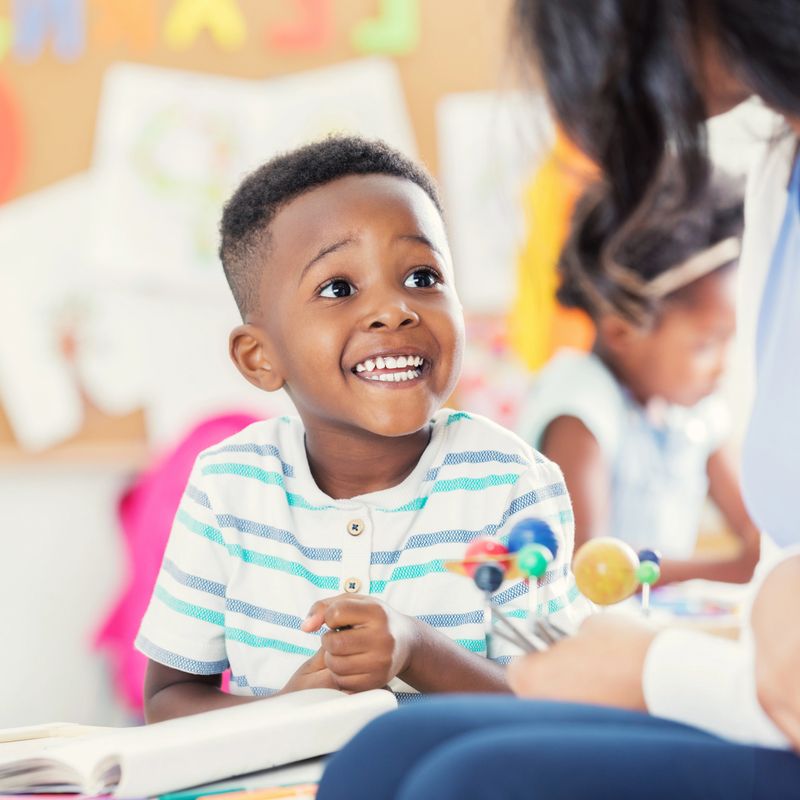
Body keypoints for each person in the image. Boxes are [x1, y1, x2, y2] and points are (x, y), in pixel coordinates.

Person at [317, 1, 800, 796]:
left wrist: (652, 666)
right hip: (759, 666)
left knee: (462, 782)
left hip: (765, 679)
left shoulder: (690, 413)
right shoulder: (591, 403)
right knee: (386, 754)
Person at [135, 135, 589, 722]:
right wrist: (285, 712)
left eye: (423, 277)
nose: (395, 310)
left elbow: (560, 705)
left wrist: (418, 651)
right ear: (259, 357)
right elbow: (167, 699)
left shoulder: (512, 483)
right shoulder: (228, 486)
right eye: (338, 289)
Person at [516, 170, 761, 584]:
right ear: (621, 331)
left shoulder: (692, 411)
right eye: (706, 345)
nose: (724, 365)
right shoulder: (580, 407)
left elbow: (757, 527)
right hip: (587, 641)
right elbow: (584, 569)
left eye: (729, 342)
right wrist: (733, 569)